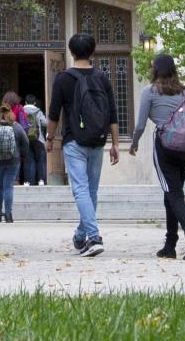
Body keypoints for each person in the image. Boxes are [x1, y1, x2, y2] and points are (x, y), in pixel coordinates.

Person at [129, 53, 185, 260]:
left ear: (155, 70)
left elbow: (140, 125)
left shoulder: (150, 92)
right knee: (171, 195)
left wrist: (134, 143)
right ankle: (170, 244)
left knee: (174, 194)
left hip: (165, 146)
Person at [46, 33, 119, 257]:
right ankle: (81, 235)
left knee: (80, 190)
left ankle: (94, 237)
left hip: (74, 141)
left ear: (71, 52)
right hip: (97, 141)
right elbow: (113, 114)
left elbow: (54, 114)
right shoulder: (102, 77)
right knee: (91, 191)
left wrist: (49, 139)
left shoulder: (63, 78)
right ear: (93, 51)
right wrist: (115, 143)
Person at [0, 104, 29, 222]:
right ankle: (8, 215)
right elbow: (26, 142)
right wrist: (21, 156)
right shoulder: (17, 127)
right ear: (11, 115)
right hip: (13, 161)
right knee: (8, 187)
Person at [2, 90, 29, 185]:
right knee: (16, 157)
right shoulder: (19, 108)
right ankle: (15, 179)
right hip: (16, 135)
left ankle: (5, 178)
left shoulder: (3, 109)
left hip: (4, 134)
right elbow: (24, 124)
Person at [22, 93, 47, 186]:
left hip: (25, 138)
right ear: (35, 102)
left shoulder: (22, 111)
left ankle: (27, 181)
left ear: (25, 102)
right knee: (40, 159)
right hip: (38, 138)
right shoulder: (38, 111)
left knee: (28, 160)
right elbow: (45, 123)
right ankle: (41, 180)